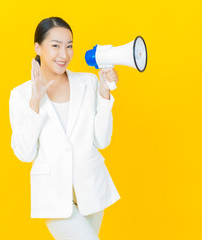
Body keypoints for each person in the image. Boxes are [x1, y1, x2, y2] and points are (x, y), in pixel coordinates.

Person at [9, 16, 120, 240]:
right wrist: (35, 102)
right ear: (38, 47)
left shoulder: (89, 83)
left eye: (69, 46)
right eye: (56, 46)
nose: (64, 54)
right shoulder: (20, 95)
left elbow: (102, 141)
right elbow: (24, 153)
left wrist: (105, 93)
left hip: (91, 189)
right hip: (53, 195)